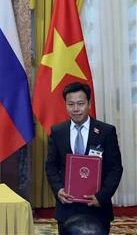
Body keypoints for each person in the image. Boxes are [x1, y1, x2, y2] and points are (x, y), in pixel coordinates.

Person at [45, 82, 123, 235]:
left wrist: (101, 197)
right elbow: (51, 166)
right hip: (67, 206)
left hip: (97, 207)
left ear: (89, 103)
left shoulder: (106, 131)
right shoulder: (58, 131)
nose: (75, 109)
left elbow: (115, 168)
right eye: (71, 104)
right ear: (65, 105)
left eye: (80, 104)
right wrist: (59, 190)